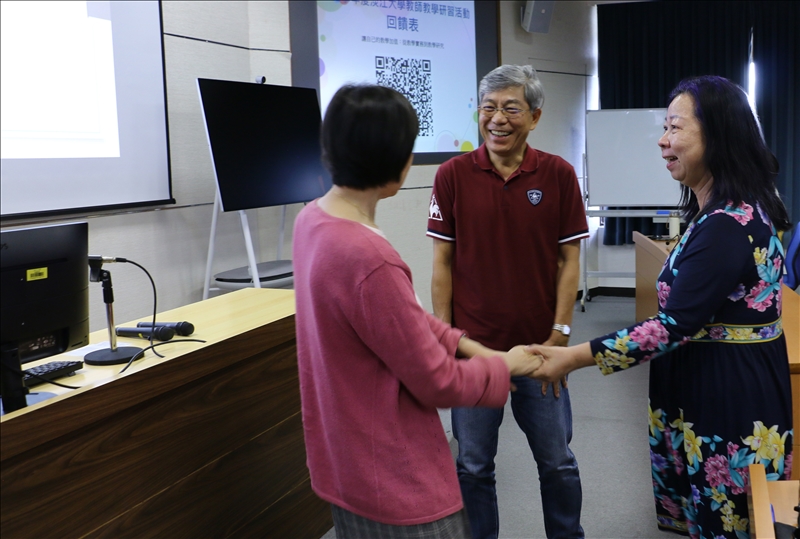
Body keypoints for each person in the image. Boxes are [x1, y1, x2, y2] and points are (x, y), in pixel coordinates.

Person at [529, 75, 793, 538]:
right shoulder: (724, 210)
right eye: (664, 127)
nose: (662, 139)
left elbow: (672, 326)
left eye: (675, 127)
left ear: (717, 136)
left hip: (727, 398)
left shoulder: (726, 225)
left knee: (728, 521)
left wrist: (572, 357)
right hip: (716, 381)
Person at [293, 83, 542, 539]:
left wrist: (469, 346)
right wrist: (506, 365)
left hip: (346, 465)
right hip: (394, 479)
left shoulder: (313, 220)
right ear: (400, 161)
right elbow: (437, 382)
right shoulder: (370, 257)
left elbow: (396, 317)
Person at [427, 65, 588, 539]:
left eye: (511, 109)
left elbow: (569, 260)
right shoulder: (452, 175)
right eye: (489, 108)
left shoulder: (558, 174)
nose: (497, 119)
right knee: (474, 465)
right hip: (476, 354)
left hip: (540, 352)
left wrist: (559, 335)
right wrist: (448, 338)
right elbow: (442, 263)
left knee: (557, 462)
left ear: (534, 117)